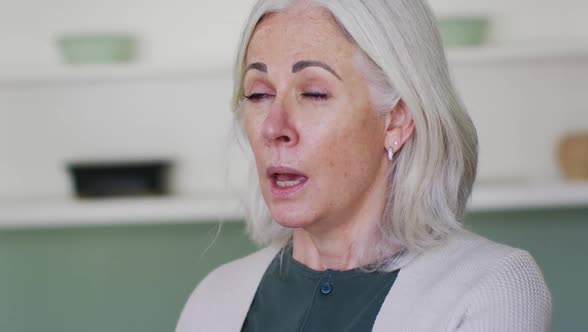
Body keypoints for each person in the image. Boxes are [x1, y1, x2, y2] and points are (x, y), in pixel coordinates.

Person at [177, 0, 552, 331]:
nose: (274, 128)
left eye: (313, 93)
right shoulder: (214, 300)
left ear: (397, 120)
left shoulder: (492, 288)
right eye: (259, 94)